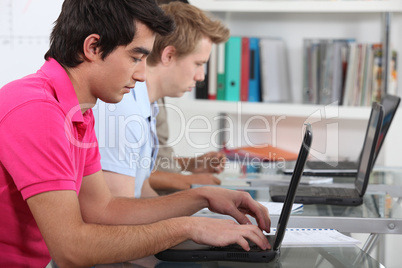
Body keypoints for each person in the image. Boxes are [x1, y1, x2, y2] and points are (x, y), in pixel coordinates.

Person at [0, 0, 271, 267]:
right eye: (135, 58)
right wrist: (188, 228)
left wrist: (202, 197)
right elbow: (71, 250)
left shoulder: (79, 111)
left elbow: (104, 210)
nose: (142, 75)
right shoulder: (38, 110)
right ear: (93, 47)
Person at [94, 2, 228, 198]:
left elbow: (143, 190)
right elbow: (118, 214)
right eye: (198, 64)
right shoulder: (124, 109)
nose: (201, 76)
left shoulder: (147, 105)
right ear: (169, 55)